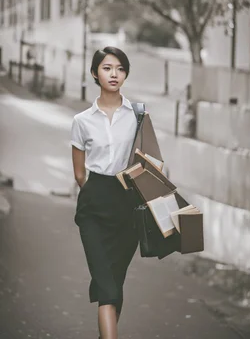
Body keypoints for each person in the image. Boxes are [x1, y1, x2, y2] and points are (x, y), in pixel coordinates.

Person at [71, 46, 139, 339]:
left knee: (115, 281)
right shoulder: (82, 121)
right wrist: (97, 194)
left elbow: (149, 162)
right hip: (94, 204)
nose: (114, 73)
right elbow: (79, 173)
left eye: (120, 68)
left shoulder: (138, 114)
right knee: (108, 288)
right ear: (94, 74)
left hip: (127, 205)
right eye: (107, 67)